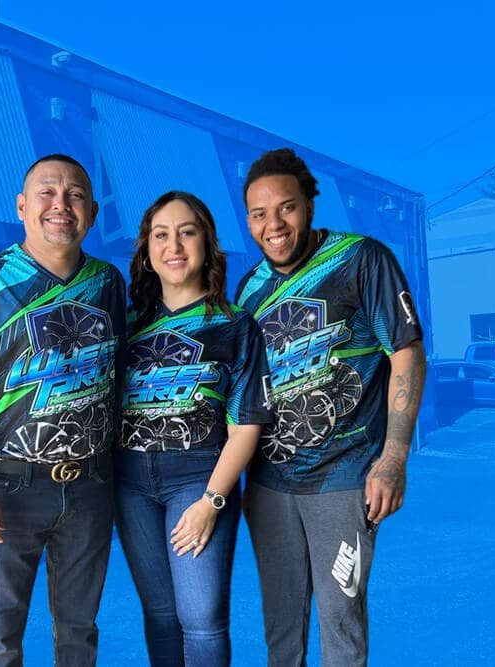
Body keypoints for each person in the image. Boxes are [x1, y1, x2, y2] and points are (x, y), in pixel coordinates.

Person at [235, 148, 426, 666]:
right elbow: (251, 392)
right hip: (271, 487)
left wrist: (393, 460)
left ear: (310, 206)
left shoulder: (362, 259)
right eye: (258, 213)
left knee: (341, 624)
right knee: (280, 627)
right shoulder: (249, 290)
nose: (273, 225)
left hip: (344, 479)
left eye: (287, 208)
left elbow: (406, 355)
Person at [0, 154, 125, 666]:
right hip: (8, 486)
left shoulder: (108, 281)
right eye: (47, 193)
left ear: (90, 211)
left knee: (79, 631)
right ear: (22, 206)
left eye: (75, 195)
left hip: (89, 485)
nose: (60, 205)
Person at [117, 191, 272, 666]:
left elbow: (247, 424)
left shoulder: (234, 325)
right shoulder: (128, 325)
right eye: (161, 235)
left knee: (201, 618)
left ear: (206, 242)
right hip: (131, 486)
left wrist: (213, 501)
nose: (175, 245)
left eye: (187, 232)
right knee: (160, 614)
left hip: (199, 481)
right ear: (146, 250)